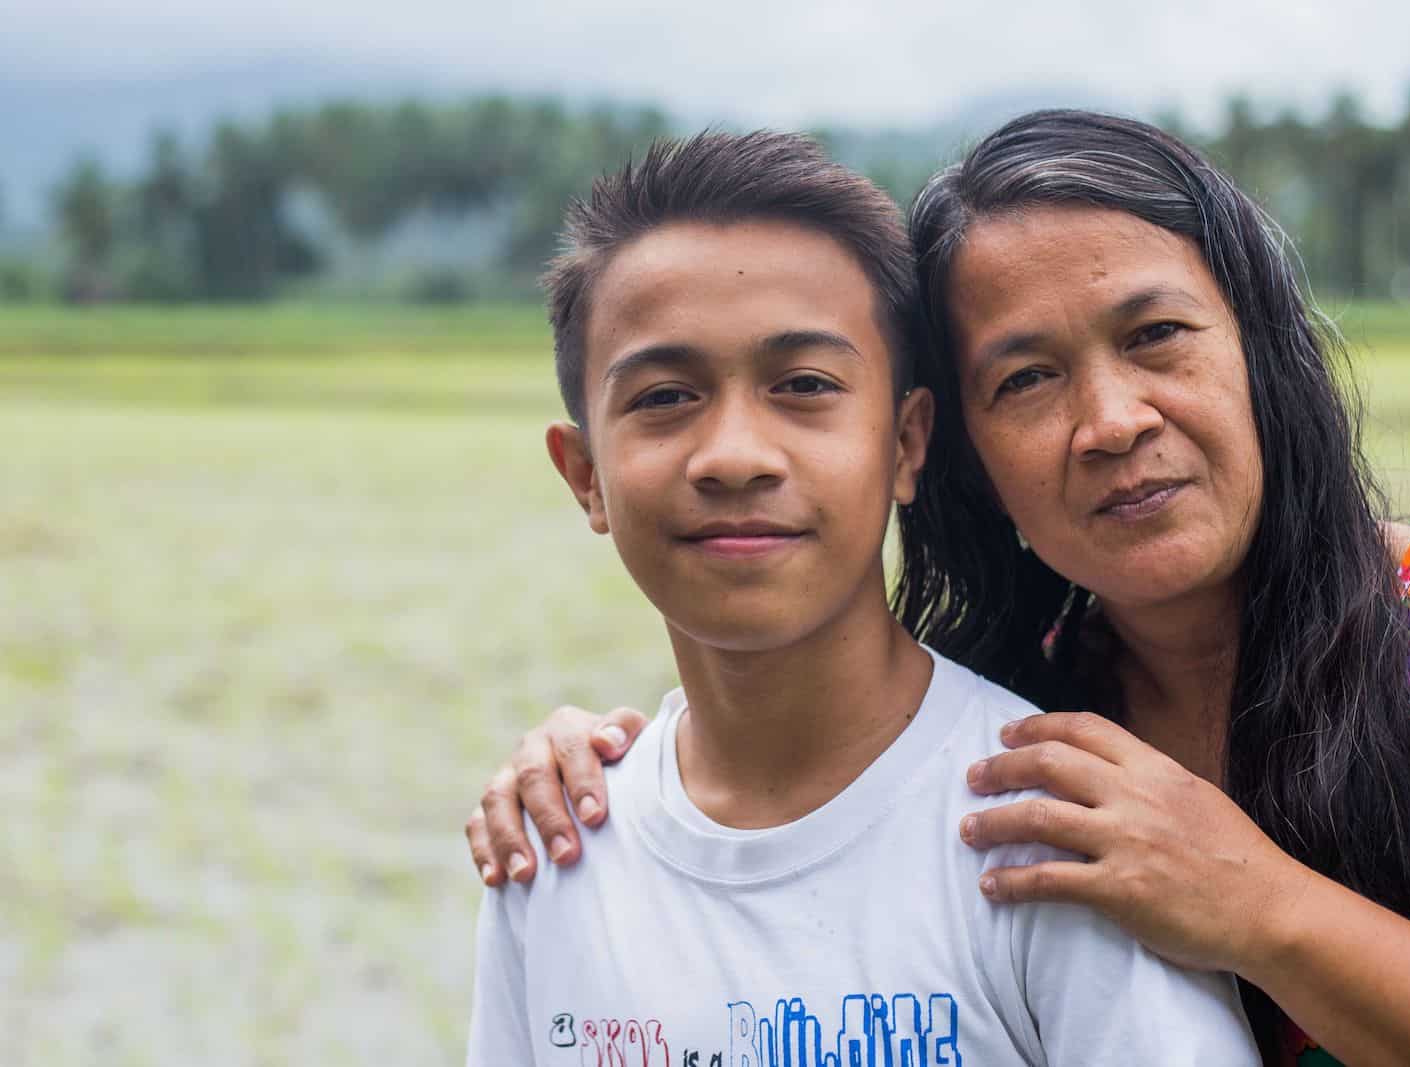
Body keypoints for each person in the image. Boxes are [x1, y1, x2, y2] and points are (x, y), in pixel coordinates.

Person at [466, 111, 1410, 1065]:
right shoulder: (1028, 723)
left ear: (1261, 351)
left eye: (1155, 336)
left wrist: (1262, 907)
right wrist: (593, 768)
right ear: (957, 450)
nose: (1110, 423)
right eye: (1026, 378)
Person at [466, 128, 1260, 1066]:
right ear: (585, 474)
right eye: (664, 397)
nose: (734, 457)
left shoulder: (1059, 831)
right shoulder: (553, 845)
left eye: (804, 385)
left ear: (907, 443)